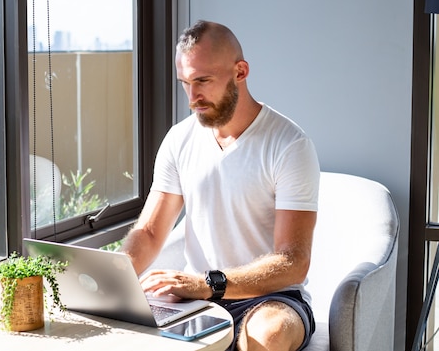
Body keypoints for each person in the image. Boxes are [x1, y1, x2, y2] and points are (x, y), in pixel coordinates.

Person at [120, 20, 320, 351]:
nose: (192, 97)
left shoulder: (289, 145)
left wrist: (208, 284)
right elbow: (150, 233)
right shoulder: (179, 139)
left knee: (265, 337)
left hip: (271, 297)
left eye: (203, 81)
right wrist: (112, 281)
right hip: (196, 297)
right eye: (185, 83)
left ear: (240, 72)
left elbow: (293, 261)